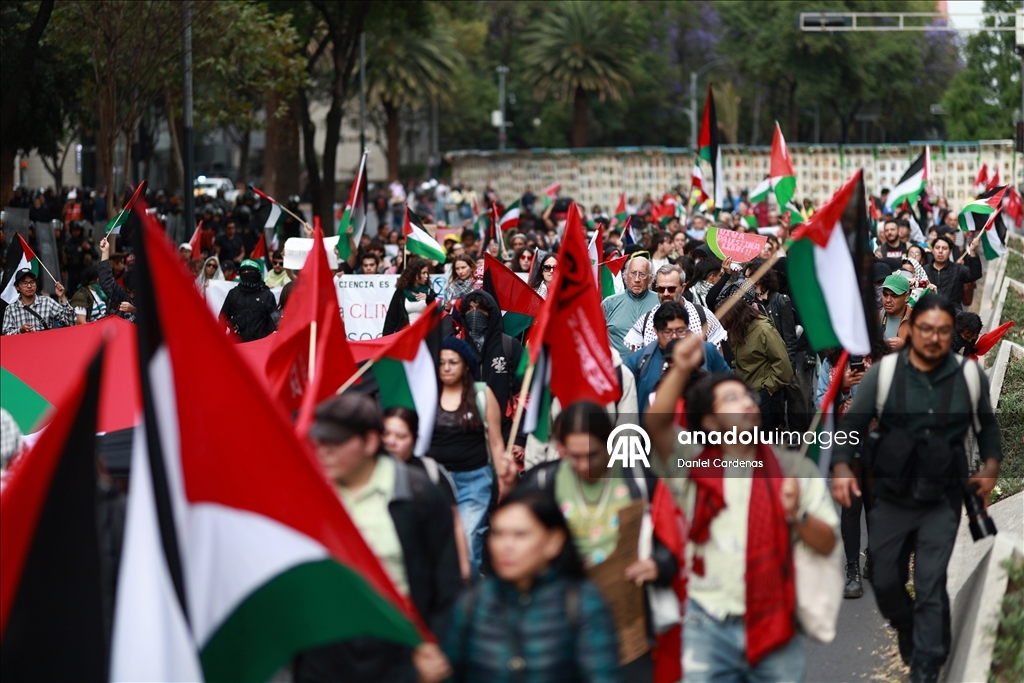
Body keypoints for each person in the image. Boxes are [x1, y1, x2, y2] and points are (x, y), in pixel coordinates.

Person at [646, 334, 839, 683]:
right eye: (731, 400)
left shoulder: (792, 471)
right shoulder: (693, 470)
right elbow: (657, 424)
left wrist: (798, 514)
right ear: (708, 421)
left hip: (775, 624)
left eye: (747, 397)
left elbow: (826, 542)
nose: (748, 404)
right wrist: (680, 367)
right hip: (707, 628)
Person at [831, 294, 1002, 683]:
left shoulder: (969, 376)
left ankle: (925, 666)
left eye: (944, 331)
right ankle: (905, 625)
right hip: (892, 494)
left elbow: (987, 429)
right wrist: (841, 465)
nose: (934, 337)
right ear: (913, 331)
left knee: (929, 580)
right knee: (886, 579)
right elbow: (853, 424)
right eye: (926, 329)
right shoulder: (885, 374)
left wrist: (990, 467)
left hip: (942, 497)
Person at [295, 394, 460, 683]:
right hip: (327, 649)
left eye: (336, 443)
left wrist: (437, 647)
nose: (324, 451)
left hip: (398, 649)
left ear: (370, 442)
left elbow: (446, 585)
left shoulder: (416, 495)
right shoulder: (309, 495)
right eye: (320, 441)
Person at [514, 402, 680, 679]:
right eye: (573, 456)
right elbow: (514, 541)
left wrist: (658, 565)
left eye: (592, 454)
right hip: (561, 623)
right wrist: (508, 490)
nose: (582, 464)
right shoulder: (542, 482)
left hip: (628, 622)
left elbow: (671, 539)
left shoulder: (638, 478)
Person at [442, 487, 621, 683]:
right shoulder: (473, 604)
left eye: (520, 535)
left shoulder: (580, 603)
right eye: (498, 534)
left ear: (553, 542)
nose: (506, 545)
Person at [426, 337, 514, 577]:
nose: (446, 367)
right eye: (441, 362)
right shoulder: (426, 395)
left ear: (466, 365)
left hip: (473, 482)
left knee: (466, 544)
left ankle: (469, 601)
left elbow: (496, 442)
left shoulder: (482, 395)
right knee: (436, 546)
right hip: (434, 484)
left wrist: (504, 481)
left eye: (453, 362)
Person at [383, 406, 471, 582]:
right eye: (386, 434)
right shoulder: (363, 472)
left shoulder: (430, 471)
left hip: (425, 570)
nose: (391, 442)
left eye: (401, 436)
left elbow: (454, 522)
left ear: (414, 440)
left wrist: (463, 565)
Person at [625, 302, 730, 415]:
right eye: (667, 332)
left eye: (680, 331)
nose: (674, 336)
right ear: (656, 330)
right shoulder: (638, 361)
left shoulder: (706, 351)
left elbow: (729, 384)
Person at [456, 290, 525, 456]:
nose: (474, 314)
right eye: (470, 310)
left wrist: (520, 439)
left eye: (480, 309)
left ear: (491, 312)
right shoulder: (457, 350)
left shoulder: (510, 346)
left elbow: (524, 396)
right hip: (466, 440)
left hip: (505, 437)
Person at [716, 289, 793, 430]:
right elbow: (736, 359)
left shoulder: (764, 330)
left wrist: (768, 389)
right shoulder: (736, 331)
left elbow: (783, 364)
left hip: (764, 395)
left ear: (734, 316)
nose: (722, 324)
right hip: (746, 393)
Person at [622, 264, 726, 351]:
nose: (666, 293)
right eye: (661, 289)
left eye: (671, 289)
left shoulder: (703, 316)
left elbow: (718, 359)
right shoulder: (645, 321)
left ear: (683, 288)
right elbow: (637, 363)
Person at [602, 255, 658, 358]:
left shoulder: (660, 302)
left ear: (650, 278)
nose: (637, 279)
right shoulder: (609, 303)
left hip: (649, 371)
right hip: (618, 371)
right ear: (625, 276)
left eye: (642, 274)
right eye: (633, 273)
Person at [220, 259, 277, 342]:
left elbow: (273, 323)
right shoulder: (233, 293)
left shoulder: (267, 295)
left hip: (258, 346)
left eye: (250, 271)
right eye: (244, 271)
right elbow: (222, 319)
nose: (247, 273)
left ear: (257, 273)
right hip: (236, 346)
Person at [2, 269, 73, 334]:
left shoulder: (47, 302)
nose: (29, 286)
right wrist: (20, 330)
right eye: (25, 283)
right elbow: (6, 335)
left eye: (32, 282)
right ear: (17, 287)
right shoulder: (10, 309)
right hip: (23, 347)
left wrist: (62, 297)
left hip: (45, 346)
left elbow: (70, 322)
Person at [924, 235, 980, 313]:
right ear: (932, 250)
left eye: (944, 248)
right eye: (937, 248)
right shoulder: (924, 271)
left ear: (950, 251)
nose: (940, 251)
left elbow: (975, 274)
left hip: (953, 314)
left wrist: (973, 252)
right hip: (929, 313)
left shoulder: (958, 269)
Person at [382, 258, 437, 335]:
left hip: (425, 335)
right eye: (423, 273)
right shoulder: (401, 292)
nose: (426, 276)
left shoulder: (429, 292)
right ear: (415, 274)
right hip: (405, 335)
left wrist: (428, 298)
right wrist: (385, 339)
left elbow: (436, 314)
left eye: (427, 273)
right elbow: (392, 317)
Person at [97, 237, 136, 322]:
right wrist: (105, 252)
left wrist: (134, 310)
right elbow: (107, 283)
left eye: (135, 293)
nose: (132, 296)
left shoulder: (150, 299)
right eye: (129, 292)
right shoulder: (124, 296)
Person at [880, 272, 911, 352]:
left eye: (894, 296)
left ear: (906, 296)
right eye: (885, 294)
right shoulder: (877, 317)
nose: (888, 300)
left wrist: (905, 346)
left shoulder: (917, 320)